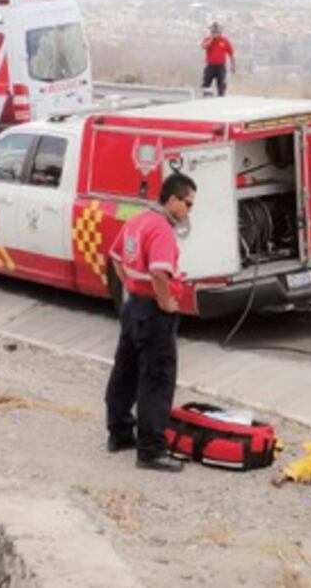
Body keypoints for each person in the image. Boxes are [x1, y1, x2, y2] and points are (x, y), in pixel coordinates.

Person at [105, 173, 196, 472]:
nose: (189, 211)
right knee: (157, 380)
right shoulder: (161, 230)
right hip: (153, 313)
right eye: (188, 204)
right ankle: (151, 450)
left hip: (133, 307)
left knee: (125, 371)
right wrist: (165, 300)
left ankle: (119, 433)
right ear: (172, 199)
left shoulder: (137, 220)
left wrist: (131, 285)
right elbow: (159, 272)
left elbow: (116, 256)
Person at [200, 23, 236, 97]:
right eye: (213, 32)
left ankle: (221, 97)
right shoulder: (207, 39)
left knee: (221, 84)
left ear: (220, 32)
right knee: (206, 84)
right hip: (210, 66)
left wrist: (233, 66)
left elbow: (231, 54)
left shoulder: (224, 41)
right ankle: (205, 97)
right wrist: (211, 39)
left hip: (221, 66)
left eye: (216, 32)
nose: (215, 33)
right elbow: (203, 46)